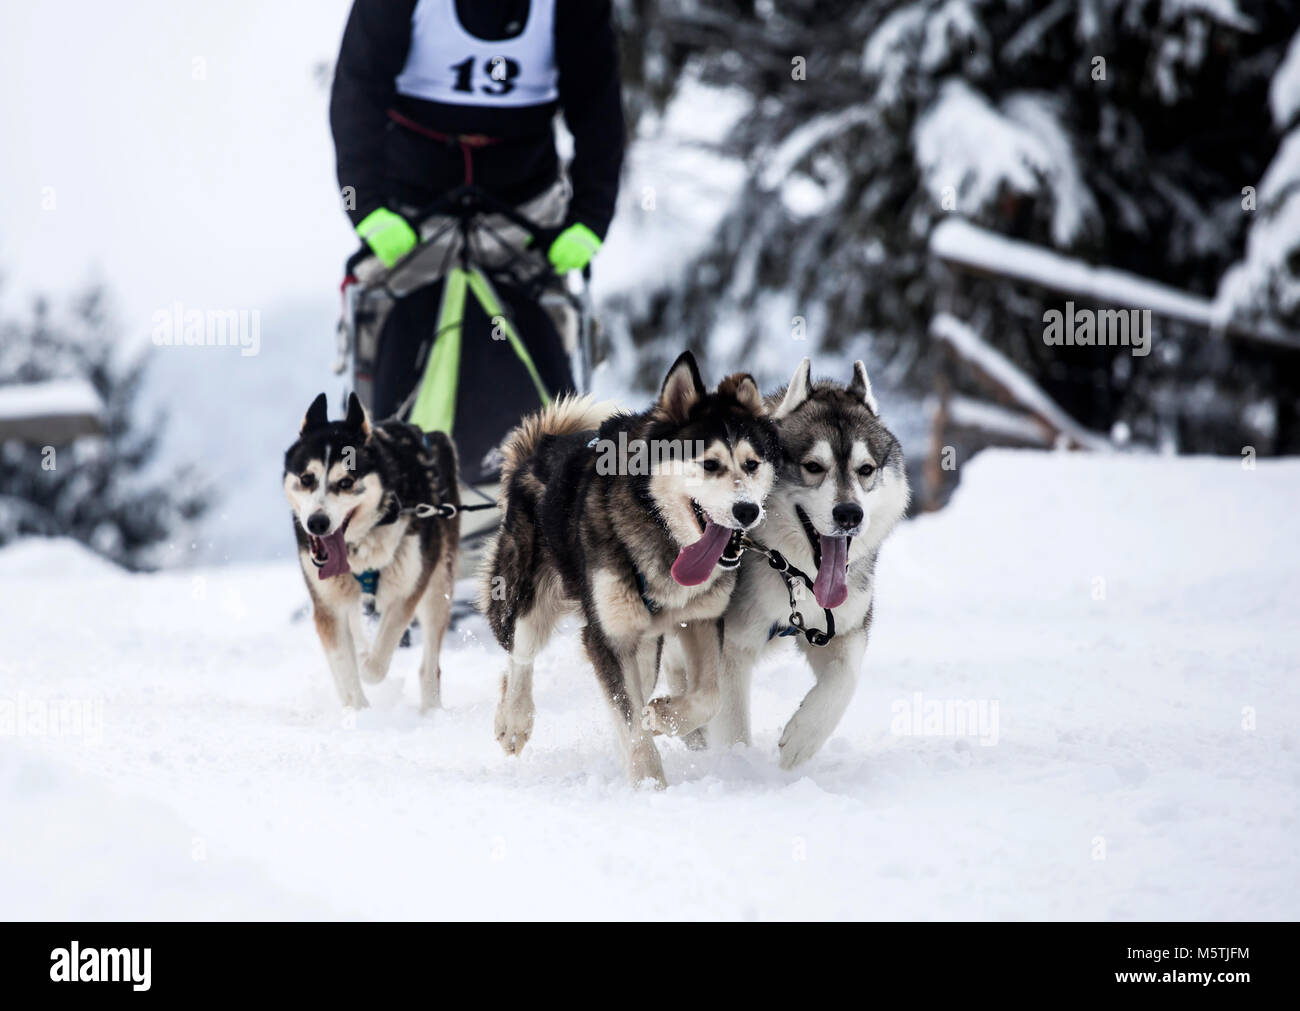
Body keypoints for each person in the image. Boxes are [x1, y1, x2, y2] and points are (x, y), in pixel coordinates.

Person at [329, 0, 624, 477]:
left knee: (549, 331)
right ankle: (380, 477)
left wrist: (589, 220)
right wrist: (368, 210)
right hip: (413, 214)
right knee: (384, 327)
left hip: (525, 211)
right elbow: (357, 89)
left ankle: (564, 486)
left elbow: (598, 105)